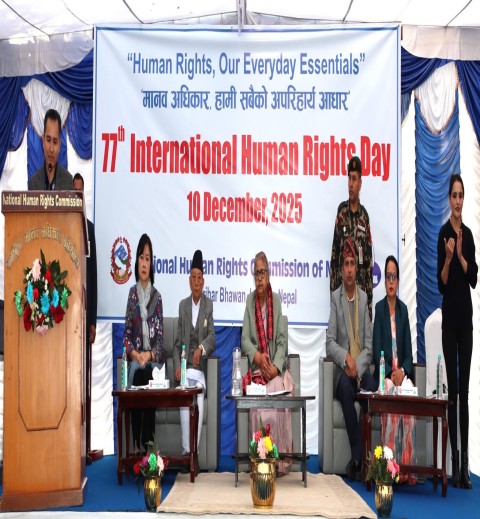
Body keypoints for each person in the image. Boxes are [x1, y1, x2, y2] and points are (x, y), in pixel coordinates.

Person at [437, 174, 478, 489]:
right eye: (454, 195)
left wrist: (462, 255)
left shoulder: (469, 235)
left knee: (464, 392)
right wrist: (449, 258)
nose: (458, 201)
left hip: (467, 321)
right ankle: (452, 463)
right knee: (452, 392)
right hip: (449, 321)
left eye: (461, 195)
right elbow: (442, 283)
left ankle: (464, 465)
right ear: (449, 199)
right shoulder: (443, 234)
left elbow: (474, 278)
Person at [326, 236, 376, 481]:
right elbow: (329, 342)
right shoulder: (335, 298)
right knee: (345, 388)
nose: (348, 269)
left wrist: (358, 366)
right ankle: (359, 458)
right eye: (345, 264)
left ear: (357, 268)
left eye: (352, 264)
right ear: (341, 269)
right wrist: (346, 358)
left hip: (361, 369)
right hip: (343, 372)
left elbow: (369, 346)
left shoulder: (364, 298)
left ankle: (367, 458)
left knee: (373, 389)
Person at [241, 251, 292, 475]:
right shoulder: (249, 301)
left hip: (274, 370)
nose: (259, 277)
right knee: (257, 398)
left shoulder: (276, 301)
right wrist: (258, 357)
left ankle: (277, 462)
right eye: (256, 273)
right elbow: (244, 339)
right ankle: (259, 460)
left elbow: (281, 341)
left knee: (278, 388)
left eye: (263, 272)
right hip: (257, 370)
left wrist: (276, 367)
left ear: (269, 274)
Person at [373, 255, 416, 484]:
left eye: (394, 276)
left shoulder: (403, 310)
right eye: (388, 276)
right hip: (386, 375)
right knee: (390, 390)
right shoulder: (379, 309)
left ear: (398, 281)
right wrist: (392, 373)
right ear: (385, 281)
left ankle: (406, 468)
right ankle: (389, 466)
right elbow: (376, 351)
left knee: (410, 395)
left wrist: (403, 372)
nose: (391, 280)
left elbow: (409, 354)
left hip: (402, 375)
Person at [123, 233, 165, 454]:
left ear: (151, 264)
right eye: (141, 257)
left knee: (147, 376)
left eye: (148, 258)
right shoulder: (132, 295)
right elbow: (126, 335)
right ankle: (137, 447)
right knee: (138, 375)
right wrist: (135, 355)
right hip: (135, 358)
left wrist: (147, 356)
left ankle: (148, 448)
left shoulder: (157, 298)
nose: (144, 263)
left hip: (152, 360)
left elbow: (160, 342)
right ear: (137, 262)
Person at [173, 250, 216, 455]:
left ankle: (194, 454)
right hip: (184, 370)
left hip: (199, 372)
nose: (196, 282)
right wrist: (176, 366)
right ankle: (185, 452)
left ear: (203, 282)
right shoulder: (183, 306)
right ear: (189, 280)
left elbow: (213, 337)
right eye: (193, 277)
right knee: (184, 398)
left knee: (197, 398)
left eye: (200, 278)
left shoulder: (208, 305)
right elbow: (176, 345)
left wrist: (201, 348)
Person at [73, 173, 98, 464]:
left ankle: (86, 444)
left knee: (86, 387)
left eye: (81, 192)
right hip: (66, 323)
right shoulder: (63, 227)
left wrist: (92, 321)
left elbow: (92, 280)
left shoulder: (89, 230)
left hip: (84, 322)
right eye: (74, 192)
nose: (78, 196)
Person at [330, 156, 373, 318]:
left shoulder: (364, 217)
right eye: (349, 178)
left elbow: (368, 263)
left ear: (360, 183)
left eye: (354, 179)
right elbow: (334, 258)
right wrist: (333, 299)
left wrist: (369, 306)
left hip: (360, 296)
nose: (351, 183)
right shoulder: (341, 212)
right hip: (342, 296)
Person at [28, 108, 73, 190]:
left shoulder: (68, 181)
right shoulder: (33, 182)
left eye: (55, 142)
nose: (51, 149)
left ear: (59, 144)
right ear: (43, 140)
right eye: (48, 140)